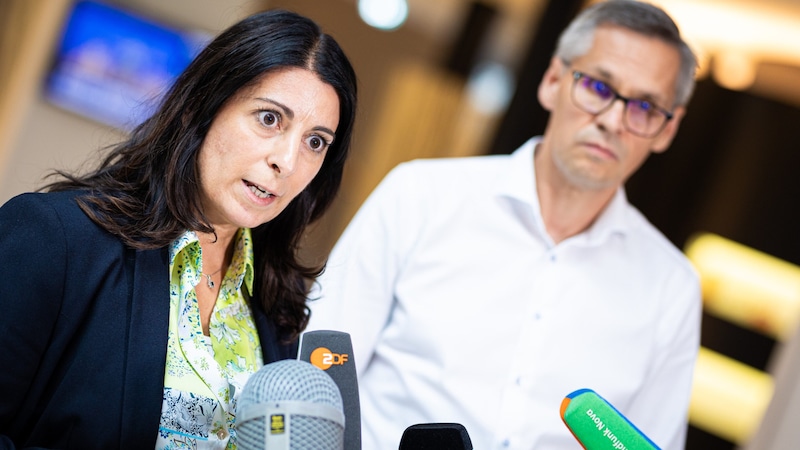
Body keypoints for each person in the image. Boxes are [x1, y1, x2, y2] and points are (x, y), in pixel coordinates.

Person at [306, 1, 700, 449]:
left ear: (668, 129)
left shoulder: (672, 288)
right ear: (553, 81)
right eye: (597, 86)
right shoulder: (420, 196)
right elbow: (319, 378)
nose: (612, 120)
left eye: (645, 106)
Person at [0, 9, 356, 450]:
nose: (287, 161)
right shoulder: (54, 238)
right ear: (203, 106)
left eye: (315, 141)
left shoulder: (278, 309)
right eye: (269, 119)